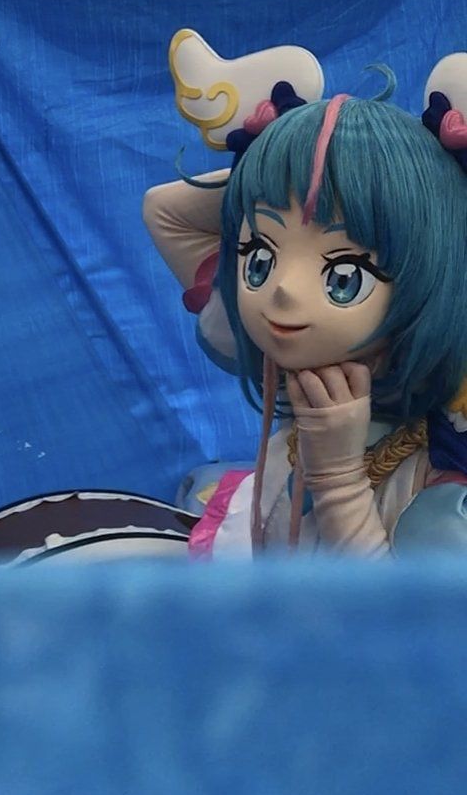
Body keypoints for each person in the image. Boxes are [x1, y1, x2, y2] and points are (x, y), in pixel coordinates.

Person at [143, 32, 467, 556]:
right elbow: (166, 212)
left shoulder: (446, 485)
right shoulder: (290, 355)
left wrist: (338, 477)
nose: (283, 290)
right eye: (261, 259)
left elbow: (400, 609)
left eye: (343, 275)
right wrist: (283, 163)